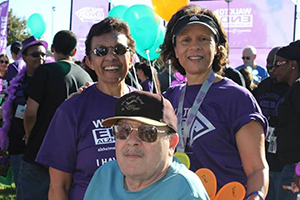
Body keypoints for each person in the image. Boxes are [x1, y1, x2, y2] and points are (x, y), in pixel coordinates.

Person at [160, 5, 269, 200]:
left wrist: (256, 196)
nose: (195, 46)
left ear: (217, 48)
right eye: (186, 40)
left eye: (204, 39)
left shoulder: (236, 98)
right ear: (176, 50)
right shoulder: (169, 98)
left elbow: (257, 168)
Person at [35, 17, 136, 200]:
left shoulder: (148, 105)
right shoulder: (71, 110)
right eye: (100, 51)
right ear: (89, 61)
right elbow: (58, 187)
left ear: (131, 57)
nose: (110, 57)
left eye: (119, 50)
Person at [84, 90, 209, 200]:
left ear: (171, 144)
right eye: (123, 130)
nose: (132, 141)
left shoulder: (186, 193)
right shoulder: (104, 175)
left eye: (147, 132)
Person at [17, 31, 93, 200]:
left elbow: (30, 112)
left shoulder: (45, 71)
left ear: (52, 48)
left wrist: (29, 135)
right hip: (71, 155)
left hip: (39, 151)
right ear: (74, 52)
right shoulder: (85, 76)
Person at [0, 36, 48, 190]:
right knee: (22, 185)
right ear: (25, 57)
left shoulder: (49, 79)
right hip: (18, 139)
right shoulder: (17, 82)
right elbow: (9, 109)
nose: (41, 58)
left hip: (40, 139)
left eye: (43, 54)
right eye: (36, 55)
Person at [253, 47, 289, 200]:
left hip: (283, 161)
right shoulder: (263, 85)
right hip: (263, 158)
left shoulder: (291, 87)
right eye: (268, 63)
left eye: (275, 63)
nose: (271, 67)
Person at [272, 40, 300, 200]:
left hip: (295, 168)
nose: (274, 68)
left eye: (278, 63)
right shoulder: (293, 88)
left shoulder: (298, 87)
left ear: (293, 64)